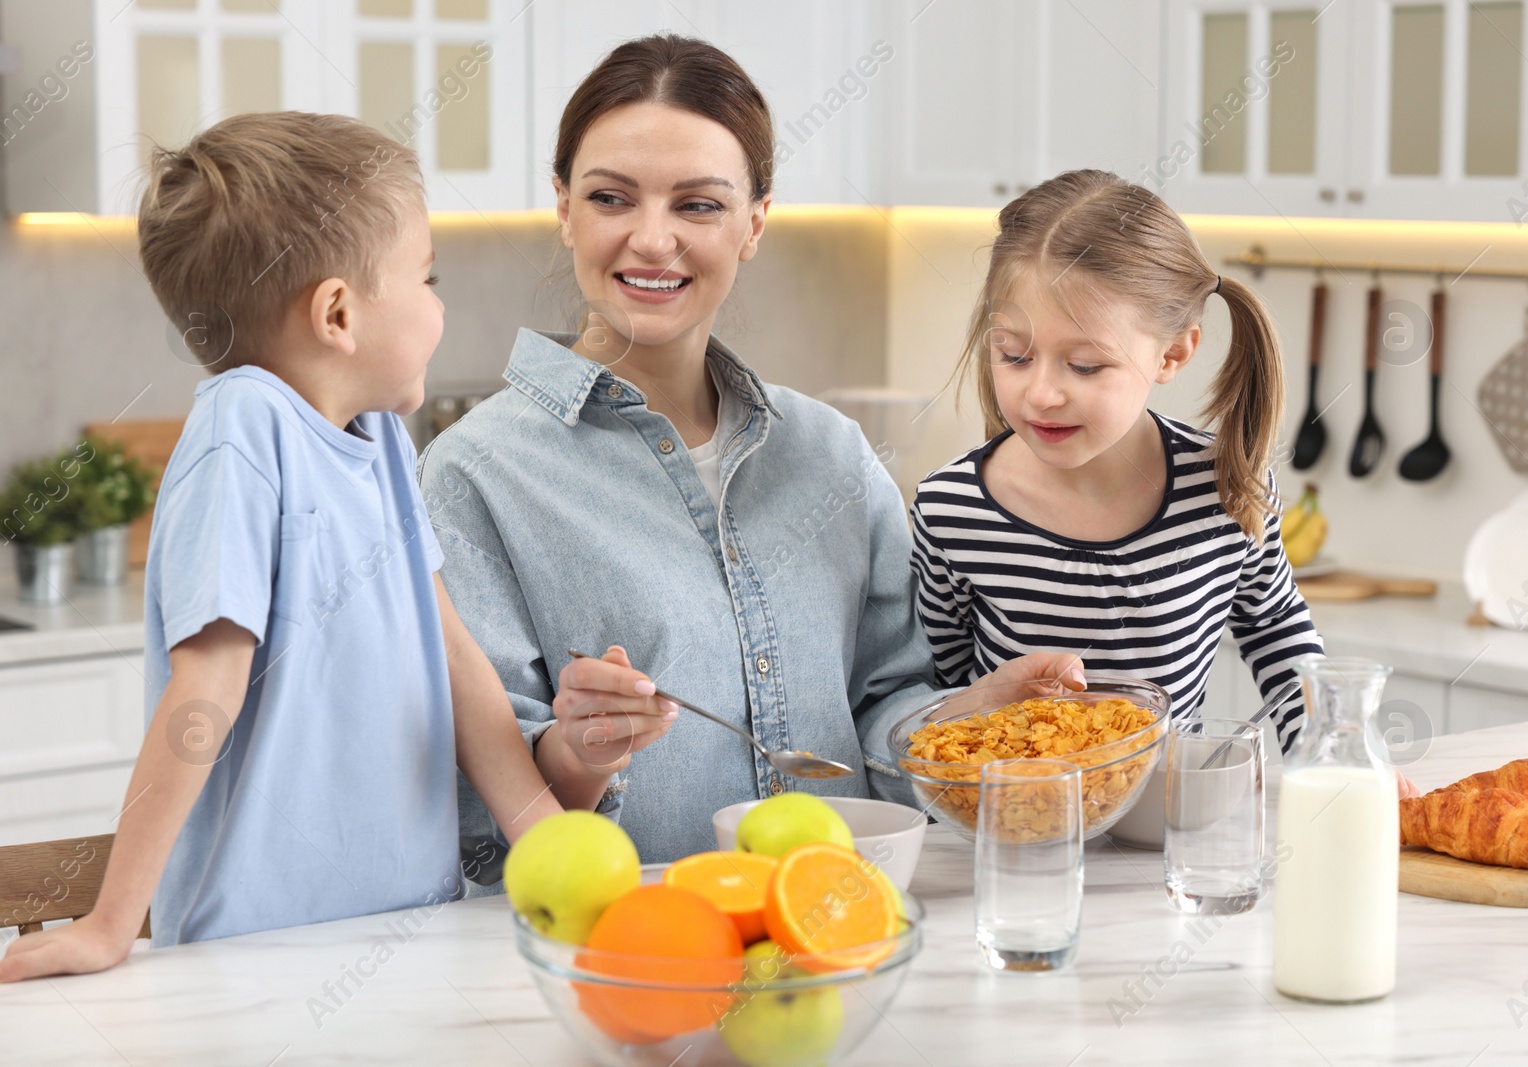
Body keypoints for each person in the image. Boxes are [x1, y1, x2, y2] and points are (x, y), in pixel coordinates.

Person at [420, 34, 1085, 873]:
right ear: (563, 206)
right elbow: (479, 821)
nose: (652, 240)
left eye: (697, 205)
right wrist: (578, 749)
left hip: (838, 922)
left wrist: (962, 720)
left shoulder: (833, 456)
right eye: (611, 198)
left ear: (754, 223)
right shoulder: (472, 475)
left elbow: (882, 711)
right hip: (630, 952)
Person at [0, 113, 634, 981]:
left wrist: (542, 835)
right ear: (338, 312)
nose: (441, 303)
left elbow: (452, 653)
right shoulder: (242, 432)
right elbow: (204, 691)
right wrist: (113, 921)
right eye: (428, 276)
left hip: (410, 925)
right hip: (256, 947)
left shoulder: (378, 439)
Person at [910, 169, 1325, 753]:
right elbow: (933, 688)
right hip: (1011, 831)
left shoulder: (1226, 490)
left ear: (1174, 353)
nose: (1042, 394)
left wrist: (1332, 751)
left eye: (1084, 366)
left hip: (1167, 831)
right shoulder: (952, 508)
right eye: (1014, 356)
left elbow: (1276, 628)